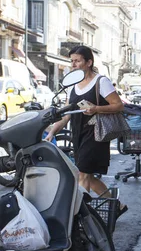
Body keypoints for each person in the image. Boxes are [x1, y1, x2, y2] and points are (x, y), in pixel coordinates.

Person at [45, 45, 125, 204]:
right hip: (78, 133)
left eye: (77, 61)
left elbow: (118, 105)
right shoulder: (72, 85)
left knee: (83, 174)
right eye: (72, 61)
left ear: (88, 62)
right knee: (85, 174)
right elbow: (67, 114)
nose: (73, 64)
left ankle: (82, 216)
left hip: (96, 133)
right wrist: (52, 132)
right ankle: (118, 206)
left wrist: (96, 108)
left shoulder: (101, 82)